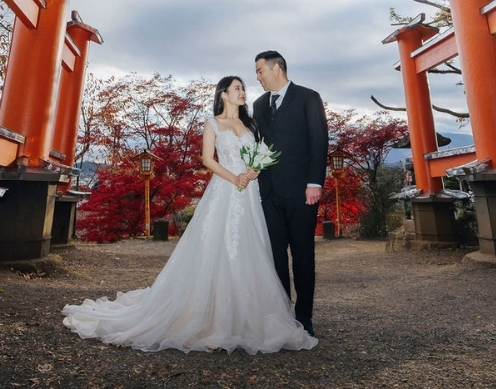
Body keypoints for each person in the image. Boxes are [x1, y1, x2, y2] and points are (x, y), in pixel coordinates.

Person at [61, 76, 317, 354]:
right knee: (217, 249)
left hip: (251, 195)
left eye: (243, 87)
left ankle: (249, 314)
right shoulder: (213, 123)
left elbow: (256, 156)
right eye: (237, 88)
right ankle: (209, 316)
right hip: (226, 190)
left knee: (251, 249)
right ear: (223, 95)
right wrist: (235, 178)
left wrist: (253, 171)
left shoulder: (250, 125)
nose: (243, 92)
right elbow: (208, 160)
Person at [253, 50, 328, 338]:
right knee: (275, 257)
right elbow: (259, 145)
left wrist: (314, 182)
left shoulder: (308, 97)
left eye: (260, 70)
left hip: (302, 192)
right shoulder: (259, 105)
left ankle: (304, 317)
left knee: (303, 254)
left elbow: (319, 140)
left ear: (277, 69)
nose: (257, 77)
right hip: (268, 192)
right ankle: (282, 315)